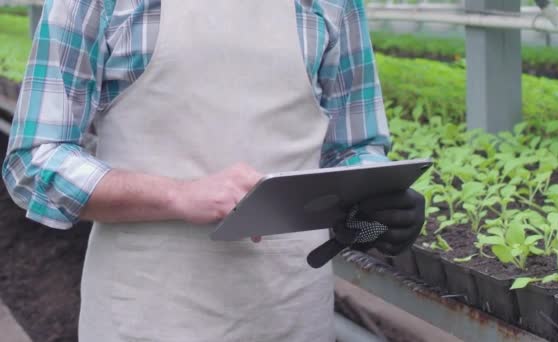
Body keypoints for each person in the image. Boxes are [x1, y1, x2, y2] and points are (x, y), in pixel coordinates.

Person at [2, 0, 425, 341]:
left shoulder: (335, 6)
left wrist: (380, 203)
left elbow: (355, 147)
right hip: (146, 311)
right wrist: (178, 194)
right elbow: (35, 159)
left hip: (290, 309)